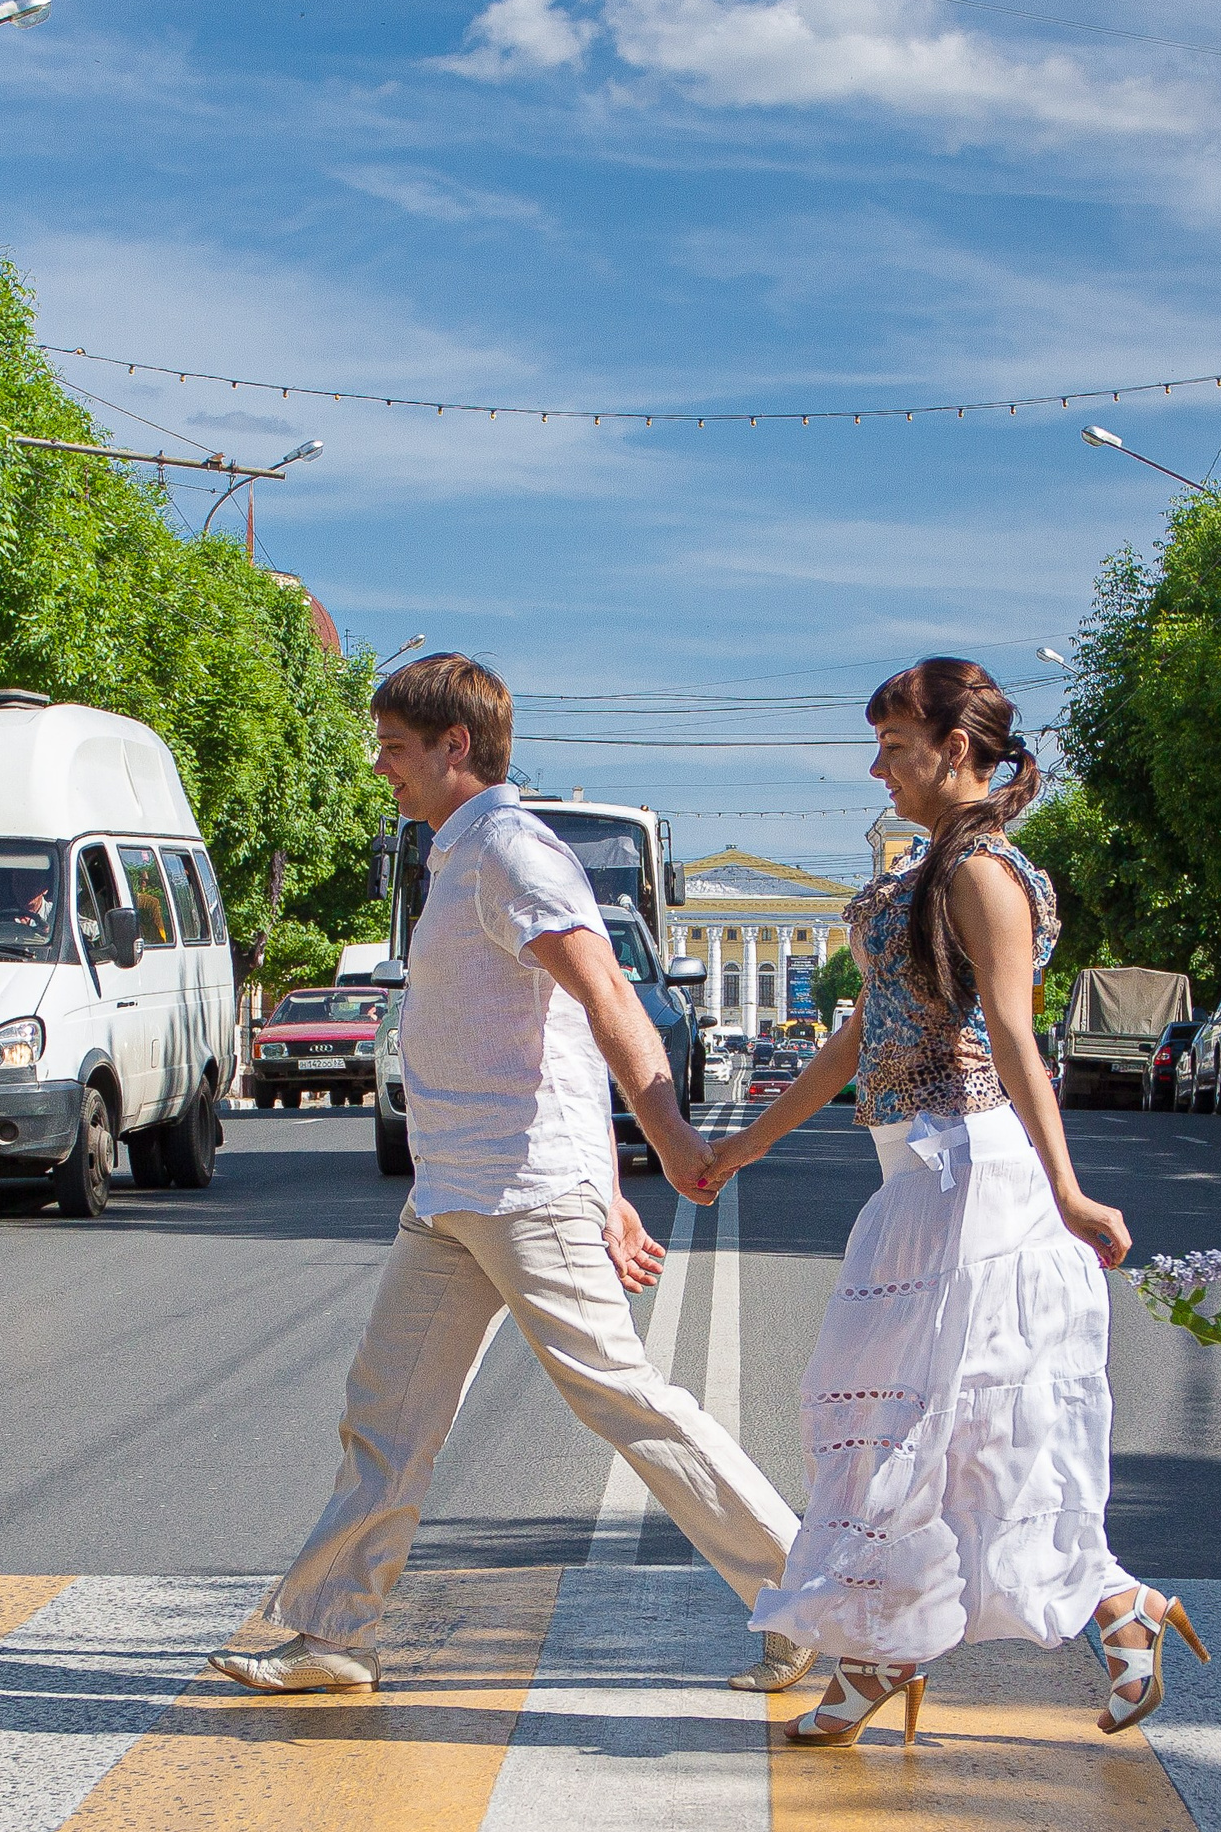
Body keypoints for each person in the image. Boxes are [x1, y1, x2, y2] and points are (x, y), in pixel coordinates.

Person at [214, 654, 806, 1694]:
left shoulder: (513, 854)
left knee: (624, 1397)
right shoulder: (458, 856)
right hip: (454, 1195)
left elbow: (607, 999)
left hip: (521, 1191)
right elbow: (554, 1037)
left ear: (455, 747)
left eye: (396, 747)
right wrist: (613, 1186)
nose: (382, 766)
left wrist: (661, 1136)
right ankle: (333, 1632)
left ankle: (817, 1600)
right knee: (387, 1410)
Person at [694, 658, 1208, 1747]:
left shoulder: (981, 873)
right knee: (921, 1423)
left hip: (974, 1173)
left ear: (955, 750)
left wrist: (1067, 1191)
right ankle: (1048, 1619)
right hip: (917, 1174)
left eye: (893, 746)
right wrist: (743, 1143)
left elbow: (1015, 1035)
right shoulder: (920, 873)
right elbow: (857, 1036)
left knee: (940, 1425)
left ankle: (1026, 1621)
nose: (877, 768)